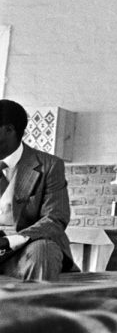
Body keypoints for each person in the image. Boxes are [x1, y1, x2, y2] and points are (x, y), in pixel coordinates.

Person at [0, 99, 74, 280]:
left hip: (27, 247)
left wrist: (10, 241)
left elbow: (55, 218)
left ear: (9, 130)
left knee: (44, 252)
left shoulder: (50, 165)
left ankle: (34, 307)